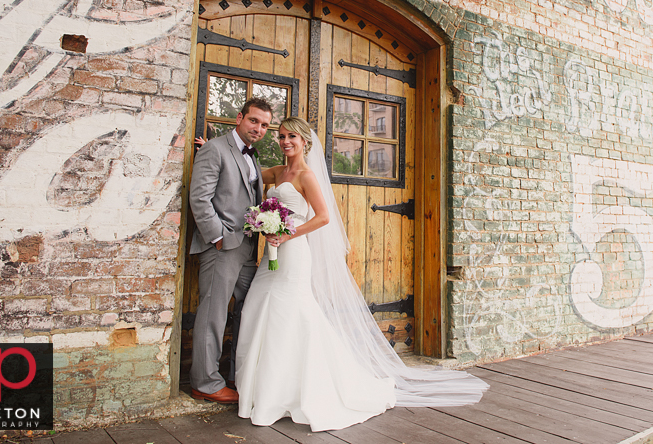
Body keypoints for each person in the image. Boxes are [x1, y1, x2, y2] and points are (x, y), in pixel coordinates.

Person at [235, 118, 487, 432]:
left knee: (291, 315)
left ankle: (302, 388)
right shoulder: (277, 171)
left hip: (294, 252)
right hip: (273, 255)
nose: (286, 142)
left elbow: (324, 217)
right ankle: (266, 388)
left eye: (293, 137)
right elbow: (244, 172)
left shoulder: (306, 175)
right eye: (283, 136)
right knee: (261, 309)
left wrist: (287, 233)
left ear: (305, 142)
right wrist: (221, 154)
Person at [188, 97, 273, 404]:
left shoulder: (255, 156)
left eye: (264, 125)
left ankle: (239, 376)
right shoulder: (215, 148)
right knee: (213, 315)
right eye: (254, 121)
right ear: (239, 118)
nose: (259, 128)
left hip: (250, 248)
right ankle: (206, 383)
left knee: (247, 314)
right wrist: (217, 237)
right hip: (222, 247)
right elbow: (199, 198)